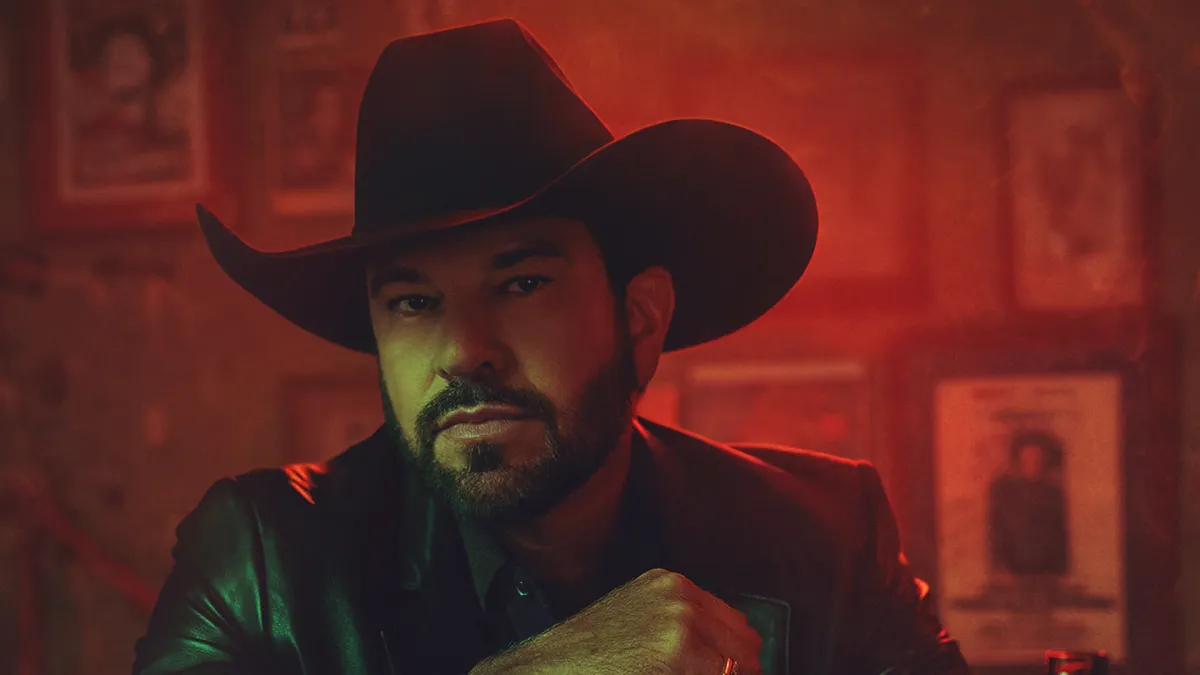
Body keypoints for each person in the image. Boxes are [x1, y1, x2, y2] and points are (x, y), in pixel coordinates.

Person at [133, 19, 969, 675]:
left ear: (639, 318)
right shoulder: (261, 559)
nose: (465, 350)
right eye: (415, 302)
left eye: (522, 283)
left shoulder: (825, 534)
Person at [988, 429, 1070, 579]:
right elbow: (998, 532)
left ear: (1044, 461)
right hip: (1013, 568)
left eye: (1037, 460)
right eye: (1027, 459)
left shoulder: (1053, 494)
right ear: (1020, 461)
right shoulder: (1004, 491)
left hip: (1048, 570)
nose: (1033, 465)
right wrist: (1001, 568)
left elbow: (1059, 535)